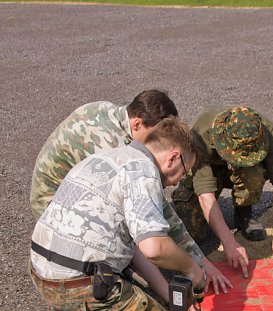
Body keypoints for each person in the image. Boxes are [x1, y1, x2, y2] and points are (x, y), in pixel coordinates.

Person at [31, 118, 206, 311]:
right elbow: (154, 247)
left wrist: (170, 297)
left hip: (42, 269)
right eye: (185, 170)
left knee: (153, 306)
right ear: (173, 157)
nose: (179, 181)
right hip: (75, 285)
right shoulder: (143, 173)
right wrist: (192, 268)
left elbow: (134, 248)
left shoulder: (108, 157)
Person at [30, 90, 230, 294]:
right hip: (54, 204)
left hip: (68, 196)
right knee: (127, 239)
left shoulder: (111, 114)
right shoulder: (114, 148)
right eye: (156, 134)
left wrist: (200, 260)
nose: (160, 140)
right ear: (137, 124)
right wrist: (177, 280)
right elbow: (157, 215)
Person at [172, 105, 273, 277]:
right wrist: (229, 242)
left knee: (254, 173)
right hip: (208, 167)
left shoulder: (266, 133)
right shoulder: (200, 134)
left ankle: (244, 213)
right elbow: (206, 195)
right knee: (193, 234)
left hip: (243, 172)